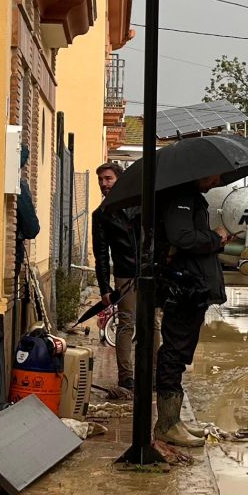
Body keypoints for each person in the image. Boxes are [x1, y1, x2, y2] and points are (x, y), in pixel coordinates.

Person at [155, 173, 230, 448]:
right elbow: (183, 237)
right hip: (184, 289)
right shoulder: (180, 199)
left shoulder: (191, 198)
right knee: (174, 352)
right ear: (199, 171)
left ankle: (173, 420)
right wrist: (215, 239)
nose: (217, 181)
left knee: (180, 352)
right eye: (214, 176)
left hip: (193, 288)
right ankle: (166, 425)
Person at [91, 162, 140, 393]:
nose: (103, 184)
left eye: (108, 179)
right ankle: (126, 377)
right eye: (101, 180)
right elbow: (101, 254)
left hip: (150, 272)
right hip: (124, 274)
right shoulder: (101, 215)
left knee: (154, 323)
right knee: (126, 323)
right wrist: (104, 288)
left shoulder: (141, 204)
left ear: (119, 180)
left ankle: (153, 374)